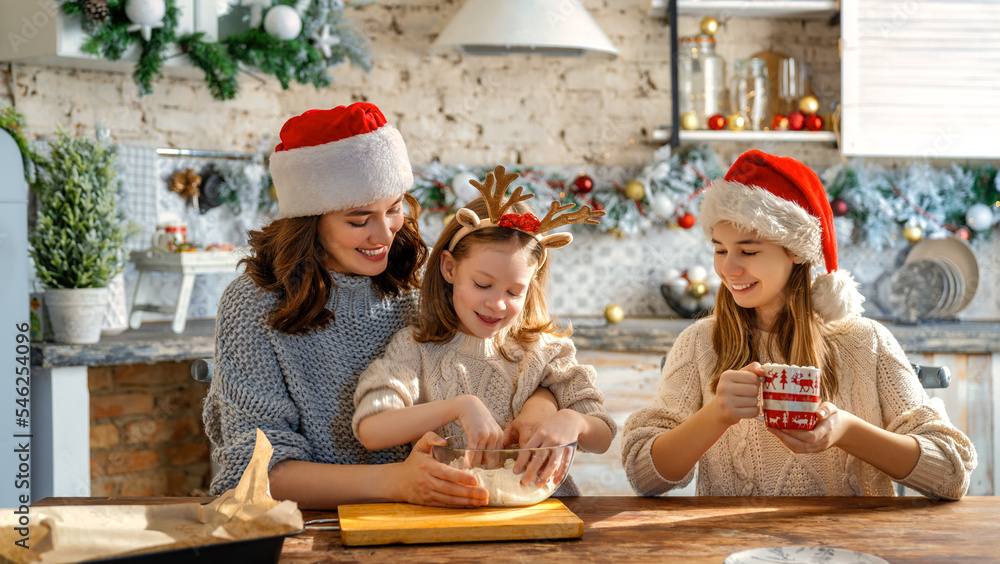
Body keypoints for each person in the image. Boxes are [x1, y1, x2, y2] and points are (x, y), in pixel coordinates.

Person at [203, 104, 557, 509]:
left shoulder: (415, 286)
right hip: (312, 528)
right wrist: (395, 480)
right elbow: (254, 472)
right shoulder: (254, 304)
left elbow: (521, 355)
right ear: (309, 221)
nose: (385, 233)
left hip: (427, 518)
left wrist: (539, 406)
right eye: (359, 220)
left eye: (394, 208)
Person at [622, 150, 977, 500]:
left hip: (850, 550)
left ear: (795, 252)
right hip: (731, 548)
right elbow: (643, 475)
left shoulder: (867, 342)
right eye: (719, 250)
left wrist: (847, 431)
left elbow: (951, 473)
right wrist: (714, 415)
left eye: (748, 251)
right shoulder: (700, 343)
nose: (728, 269)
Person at [352, 165, 617, 495]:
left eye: (513, 292)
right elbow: (372, 429)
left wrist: (572, 422)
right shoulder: (415, 347)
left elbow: (603, 434)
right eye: (482, 284)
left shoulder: (546, 352)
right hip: (450, 512)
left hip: (539, 514)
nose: (497, 304)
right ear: (450, 268)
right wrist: (460, 407)